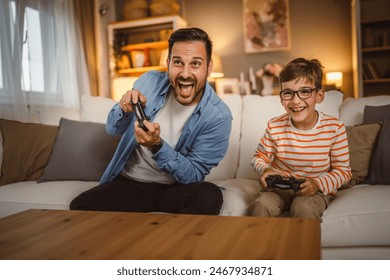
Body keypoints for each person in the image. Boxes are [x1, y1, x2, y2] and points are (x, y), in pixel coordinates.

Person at [70, 27, 232, 215]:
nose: (185, 74)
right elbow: (112, 129)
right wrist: (124, 109)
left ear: (209, 67)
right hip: (130, 185)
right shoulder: (149, 81)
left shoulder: (219, 117)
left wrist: (157, 146)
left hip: (175, 189)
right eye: (178, 62)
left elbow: (193, 175)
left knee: (209, 195)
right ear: (168, 63)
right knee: (79, 206)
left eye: (195, 64)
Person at [250, 57, 352, 220]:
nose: (296, 101)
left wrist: (318, 184)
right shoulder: (274, 126)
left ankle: (303, 245)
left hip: (315, 190)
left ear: (319, 96)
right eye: (288, 93)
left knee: (304, 208)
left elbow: (343, 171)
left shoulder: (335, 128)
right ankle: (262, 245)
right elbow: (259, 158)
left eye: (305, 91)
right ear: (281, 98)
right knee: (261, 205)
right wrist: (265, 170)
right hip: (279, 188)